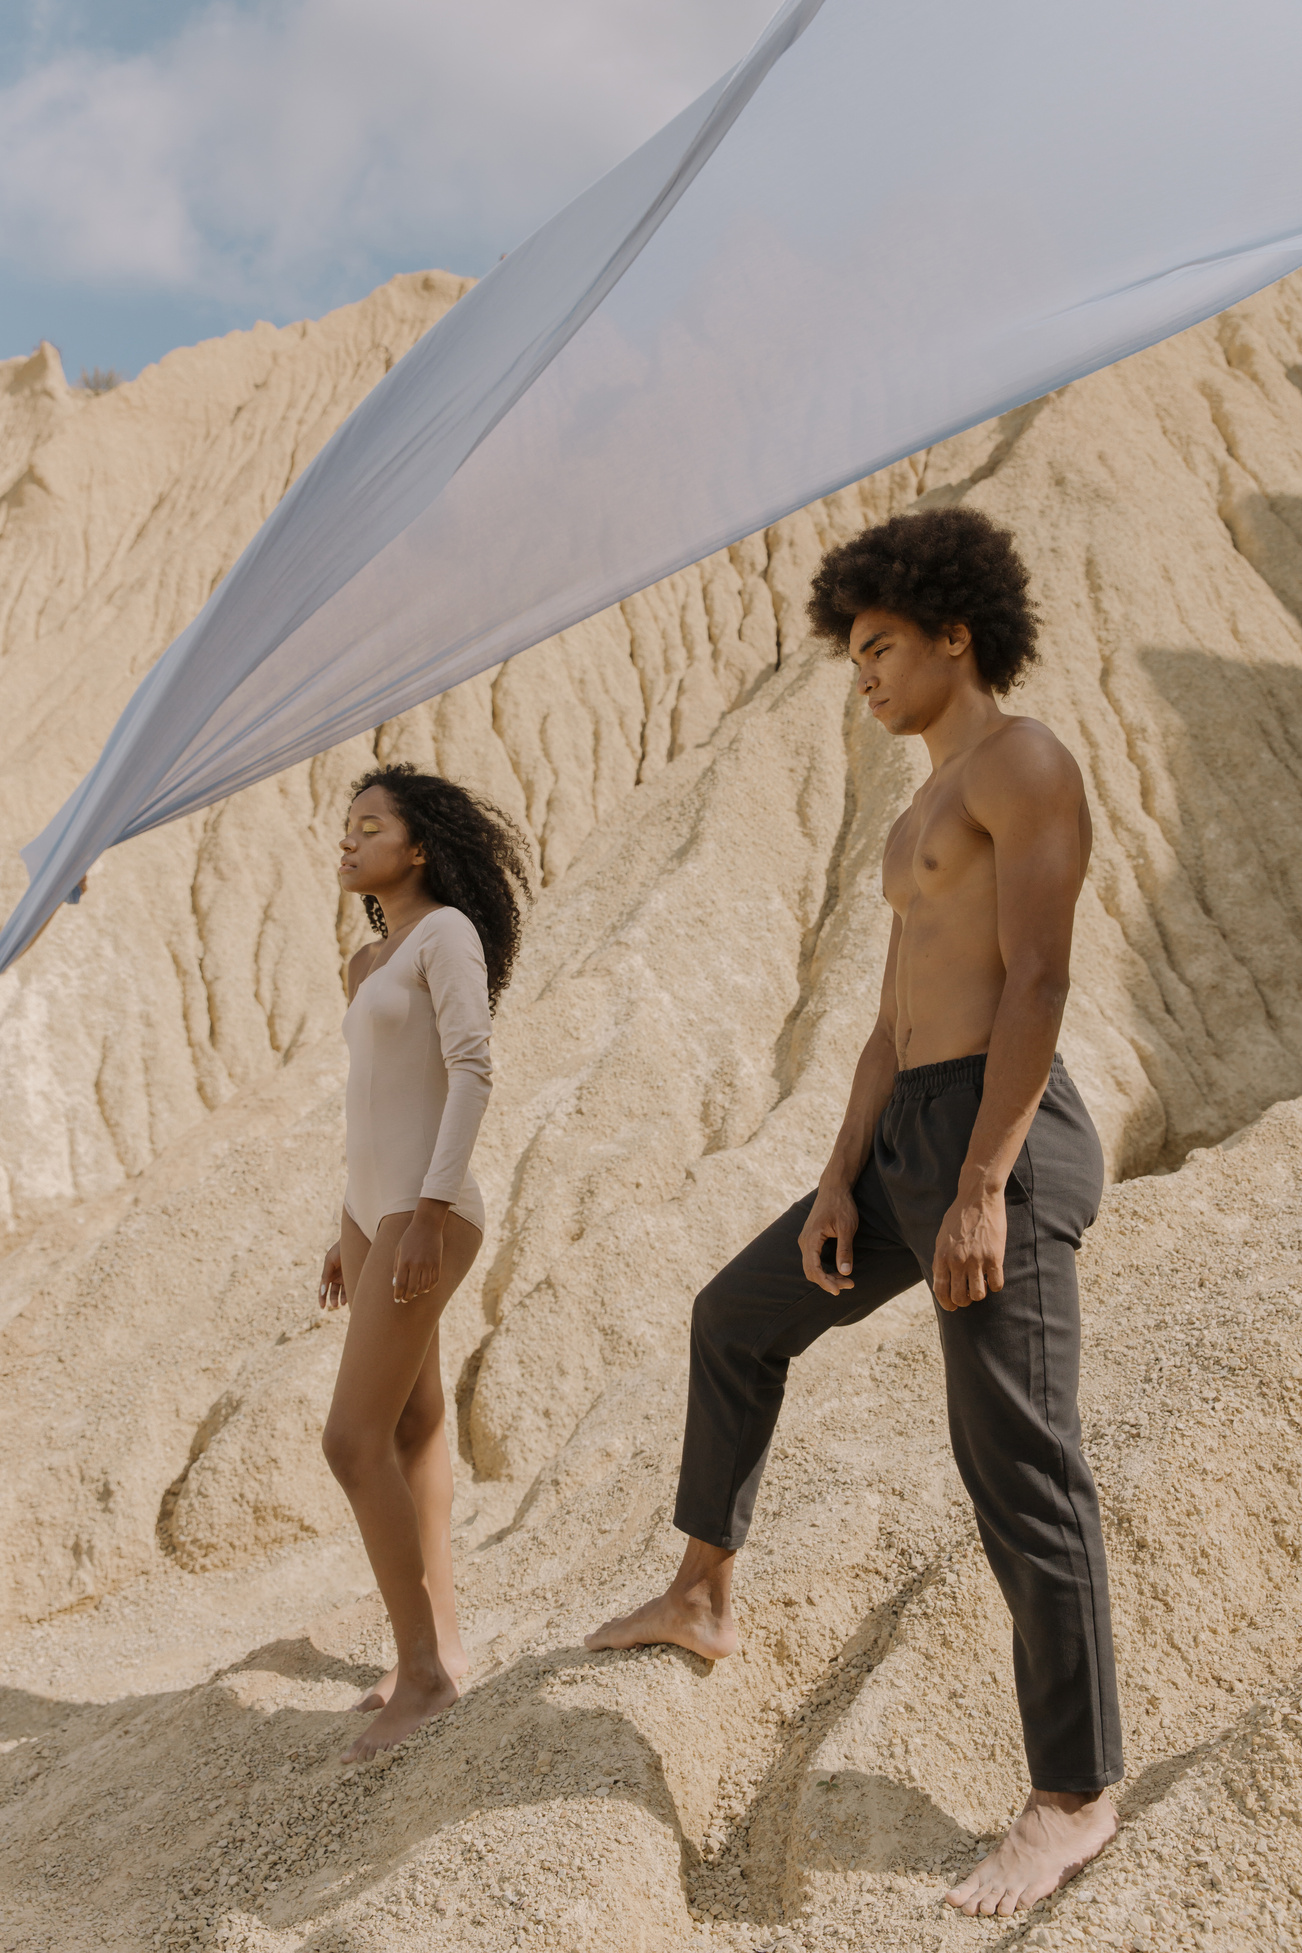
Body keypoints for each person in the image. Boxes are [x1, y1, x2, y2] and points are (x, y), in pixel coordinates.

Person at [586, 506, 1121, 1915]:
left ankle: (1072, 1795)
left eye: (881, 645)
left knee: (1015, 1460)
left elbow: (1037, 985)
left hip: (997, 1133)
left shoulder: (1025, 764)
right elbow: (890, 1015)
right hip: (904, 1138)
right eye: (852, 652)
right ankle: (702, 1589)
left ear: (956, 631)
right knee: (735, 1315)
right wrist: (837, 1176)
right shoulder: (918, 806)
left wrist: (983, 1185)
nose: (864, 673)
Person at [319, 762, 529, 1763]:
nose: (349, 840)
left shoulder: (447, 933)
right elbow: (369, 1104)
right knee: (410, 1423)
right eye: (345, 827)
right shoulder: (370, 962)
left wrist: (429, 1212)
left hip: (426, 1211)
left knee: (349, 1441)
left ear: (419, 849)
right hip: (374, 1213)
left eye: (371, 826)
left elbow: (472, 1069)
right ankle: (433, 1647)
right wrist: (343, 1225)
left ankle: (429, 1677)